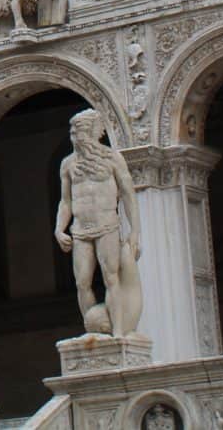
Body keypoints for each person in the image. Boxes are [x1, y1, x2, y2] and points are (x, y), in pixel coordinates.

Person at [54, 108, 144, 337]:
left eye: (81, 131)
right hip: (80, 229)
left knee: (110, 277)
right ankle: (94, 329)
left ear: (94, 131)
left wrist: (135, 231)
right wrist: (59, 229)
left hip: (107, 225)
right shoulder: (68, 164)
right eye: (72, 133)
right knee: (82, 282)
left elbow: (127, 194)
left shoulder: (112, 158)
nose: (76, 137)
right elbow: (66, 202)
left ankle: (119, 332)